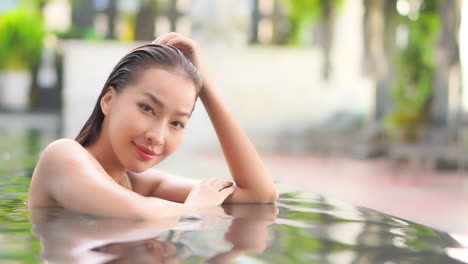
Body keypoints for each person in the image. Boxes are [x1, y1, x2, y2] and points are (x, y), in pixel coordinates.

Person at [27, 32, 278, 219]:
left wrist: (204, 86)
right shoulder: (61, 156)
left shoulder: (139, 184)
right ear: (108, 100)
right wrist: (195, 206)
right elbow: (139, 213)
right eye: (147, 108)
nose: (157, 137)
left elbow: (260, 196)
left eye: (177, 123)